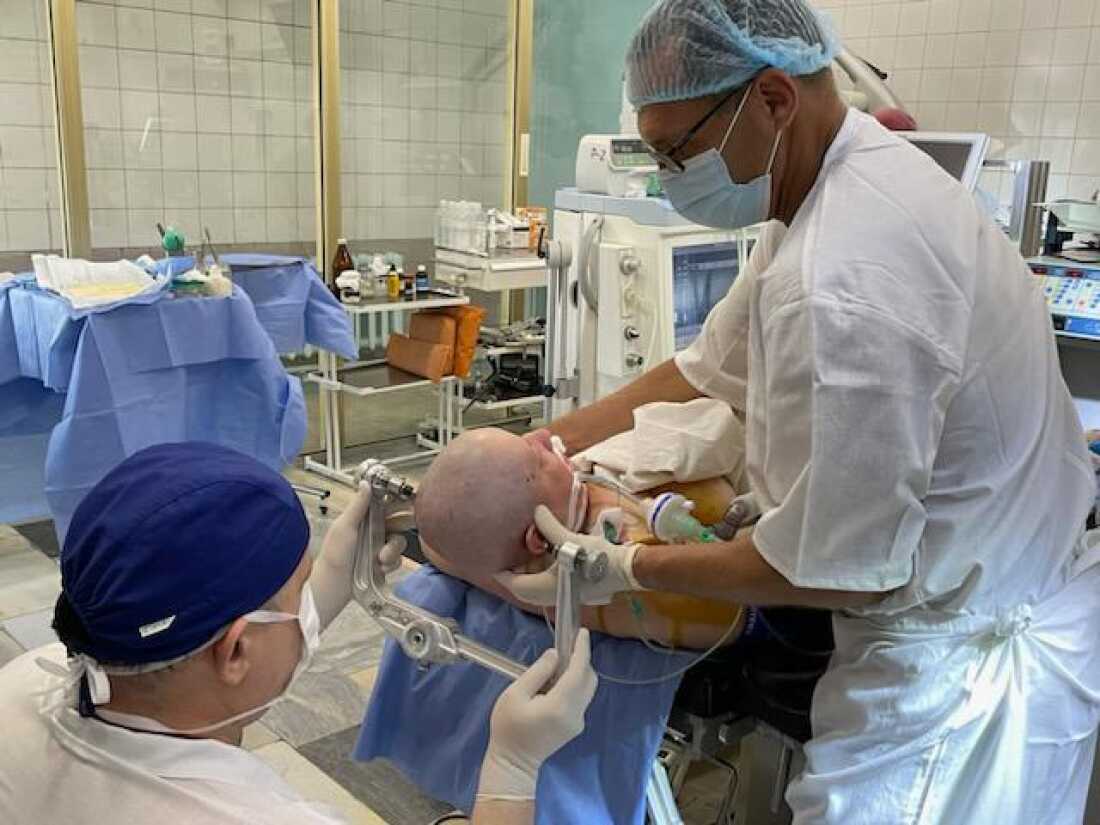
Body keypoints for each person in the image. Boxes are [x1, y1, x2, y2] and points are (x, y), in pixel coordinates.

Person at [497, 1, 1100, 823]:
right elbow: (705, 364)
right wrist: (553, 437)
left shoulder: (846, 278)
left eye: (677, 151)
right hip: (990, 581)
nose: (671, 177)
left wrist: (629, 566)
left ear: (774, 98)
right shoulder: (829, 181)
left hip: (952, 677)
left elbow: (816, 566)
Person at [0, 442, 595, 825]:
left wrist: (334, 572)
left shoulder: (35, 676)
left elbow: (239, 654)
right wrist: (510, 776)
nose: (303, 610)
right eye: (296, 594)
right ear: (235, 651)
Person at [416, 425, 748, 650]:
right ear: (536, 538)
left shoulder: (567, 494)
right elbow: (729, 611)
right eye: (539, 458)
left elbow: (438, 546)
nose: (546, 434)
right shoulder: (570, 584)